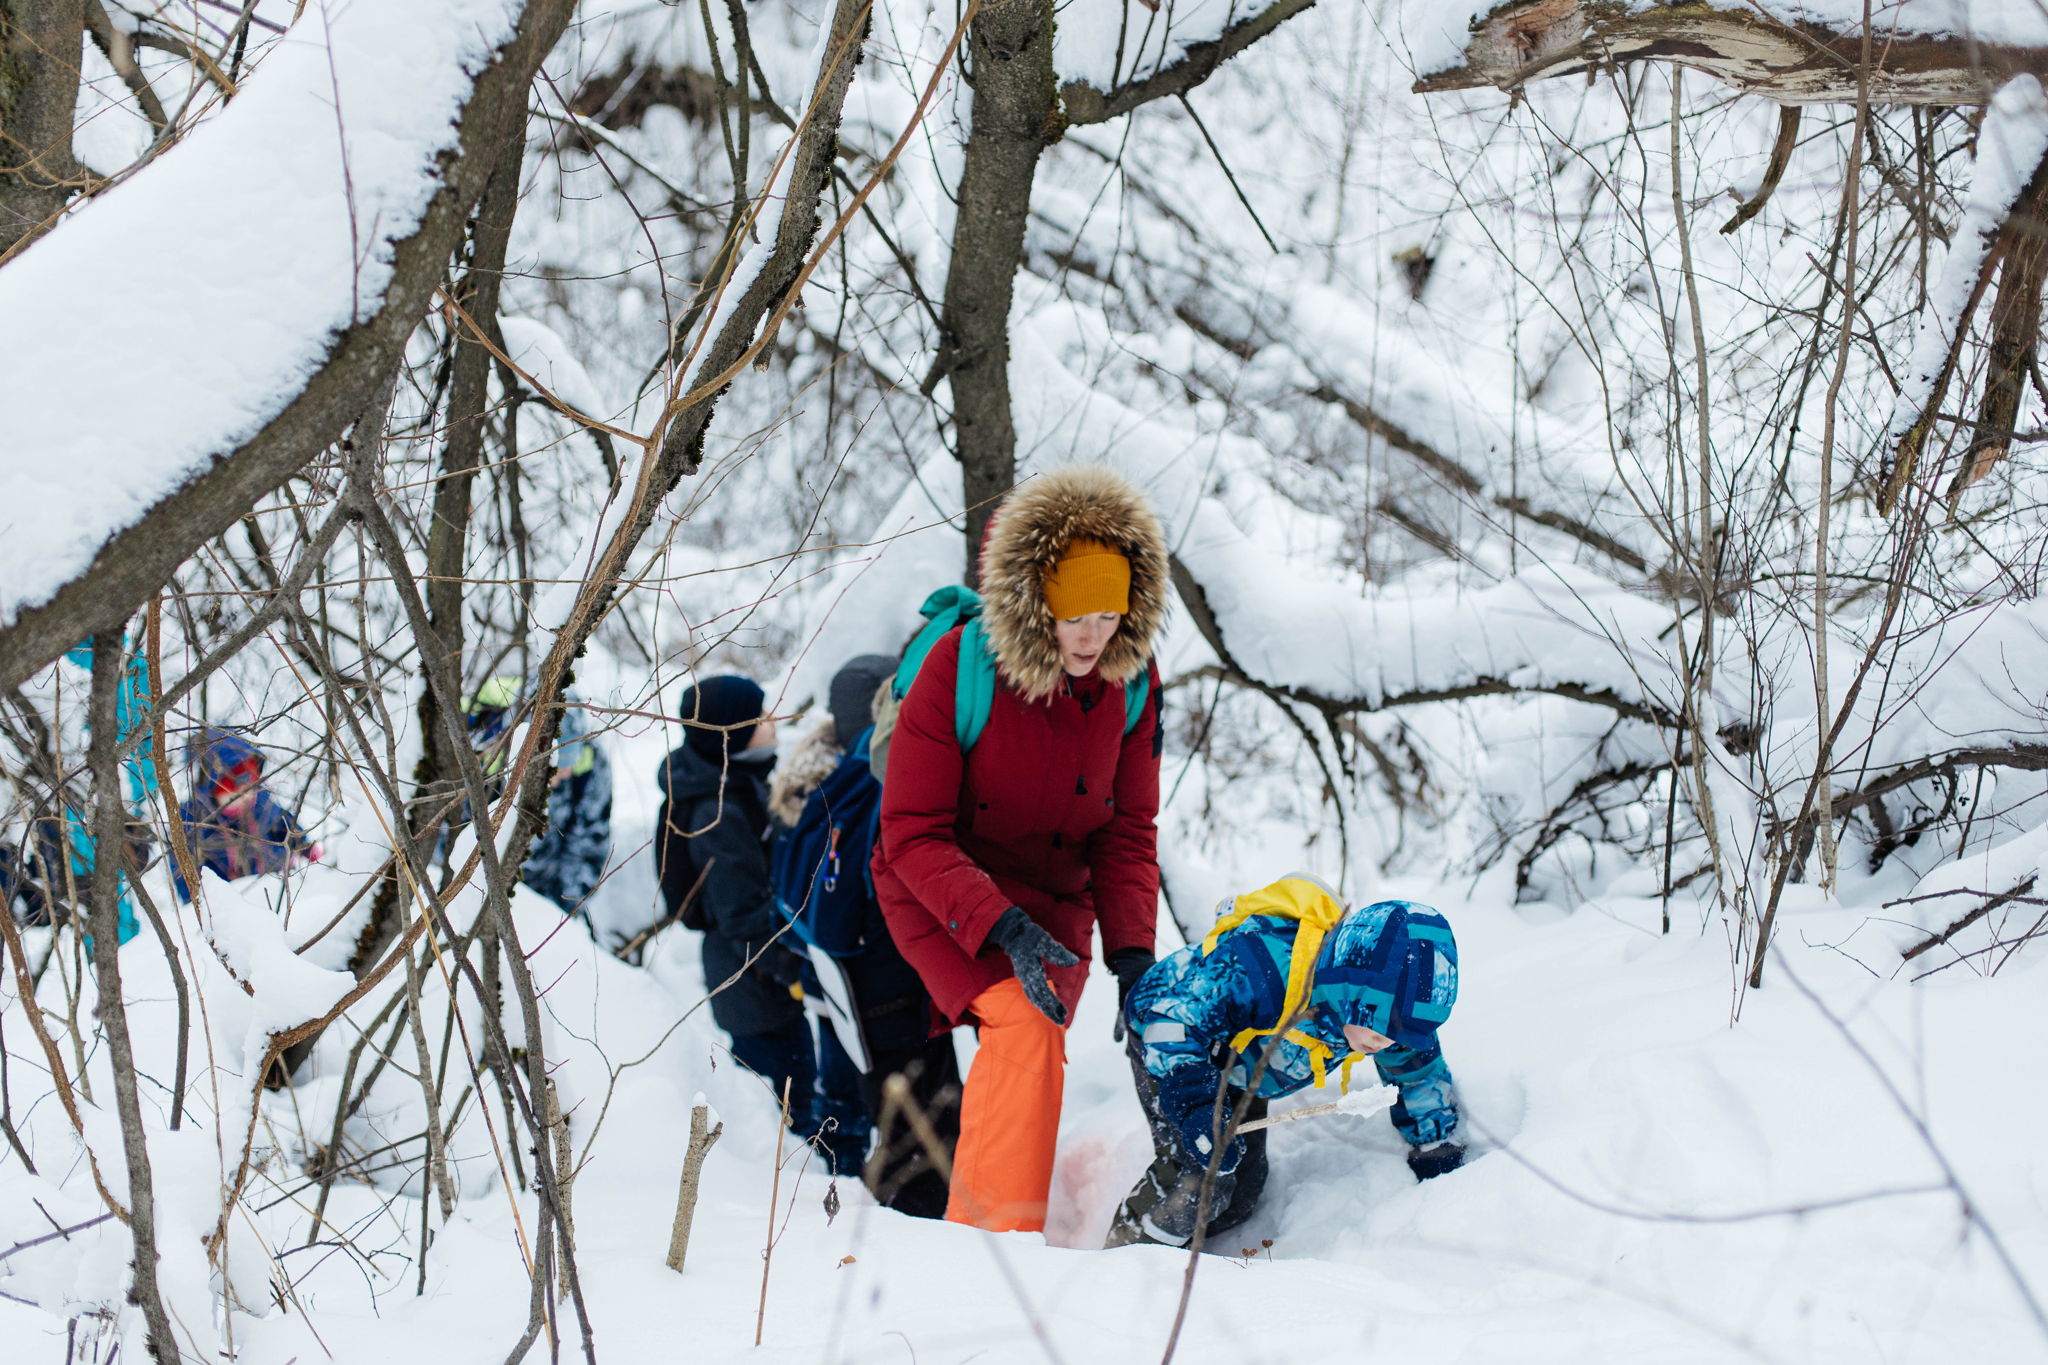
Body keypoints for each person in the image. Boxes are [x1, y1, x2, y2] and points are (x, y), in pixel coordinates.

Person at [872, 464, 1170, 1233]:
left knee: (1029, 1044)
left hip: (1054, 902)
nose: (1091, 635)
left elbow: (1127, 829)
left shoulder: (1132, 682)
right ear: (1037, 600)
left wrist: (1132, 952)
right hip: (941, 886)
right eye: (1075, 614)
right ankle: (991, 1247)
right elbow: (910, 828)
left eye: (1110, 614)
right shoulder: (959, 667)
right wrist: (995, 923)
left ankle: (983, 1233)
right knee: (1022, 1024)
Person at [1112, 874, 1464, 1247]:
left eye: (1396, 1034)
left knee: (1241, 1190)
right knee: (1199, 1177)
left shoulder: (1385, 1013)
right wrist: (1197, 1106)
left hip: (1245, 1063)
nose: (1385, 1043)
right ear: (1347, 995)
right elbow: (1172, 1022)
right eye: (1377, 1031)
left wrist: (1435, 1143)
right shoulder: (1260, 969)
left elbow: (1418, 1073)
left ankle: (1188, 1249)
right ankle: (1125, 1258)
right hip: (1172, 1041)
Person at [769, 654, 962, 1209]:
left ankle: (867, 1196)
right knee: (926, 1134)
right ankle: (918, 1240)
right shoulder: (886, 777)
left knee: (884, 1113)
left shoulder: (825, 781)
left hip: (841, 984)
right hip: (897, 985)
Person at [653, 675, 817, 1136]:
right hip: (752, 977)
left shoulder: (736, 782)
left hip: (756, 972)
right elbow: (741, 912)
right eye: (759, 717)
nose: (771, 723)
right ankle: (794, 1195)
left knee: (792, 1090)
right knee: (787, 1107)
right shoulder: (717, 810)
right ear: (730, 732)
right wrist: (794, 970)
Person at [463, 678, 613, 915]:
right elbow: (455, 839)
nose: (557, 780)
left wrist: (565, 904)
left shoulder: (591, 769)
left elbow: (588, 843)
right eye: (550, 771)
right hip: (485, 891)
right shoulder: (484, 761)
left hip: (550, 891)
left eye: (565, 770)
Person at [175, 730, 319, 900]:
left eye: (252, 785)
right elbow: (183, 873)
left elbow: (287, 825)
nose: (248, 795)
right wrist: (195, 902)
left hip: (277, 888)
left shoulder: (262, 804)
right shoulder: (191, 819)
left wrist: (307, 848)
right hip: (230, 902)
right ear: (212, 789)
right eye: (236, 791)